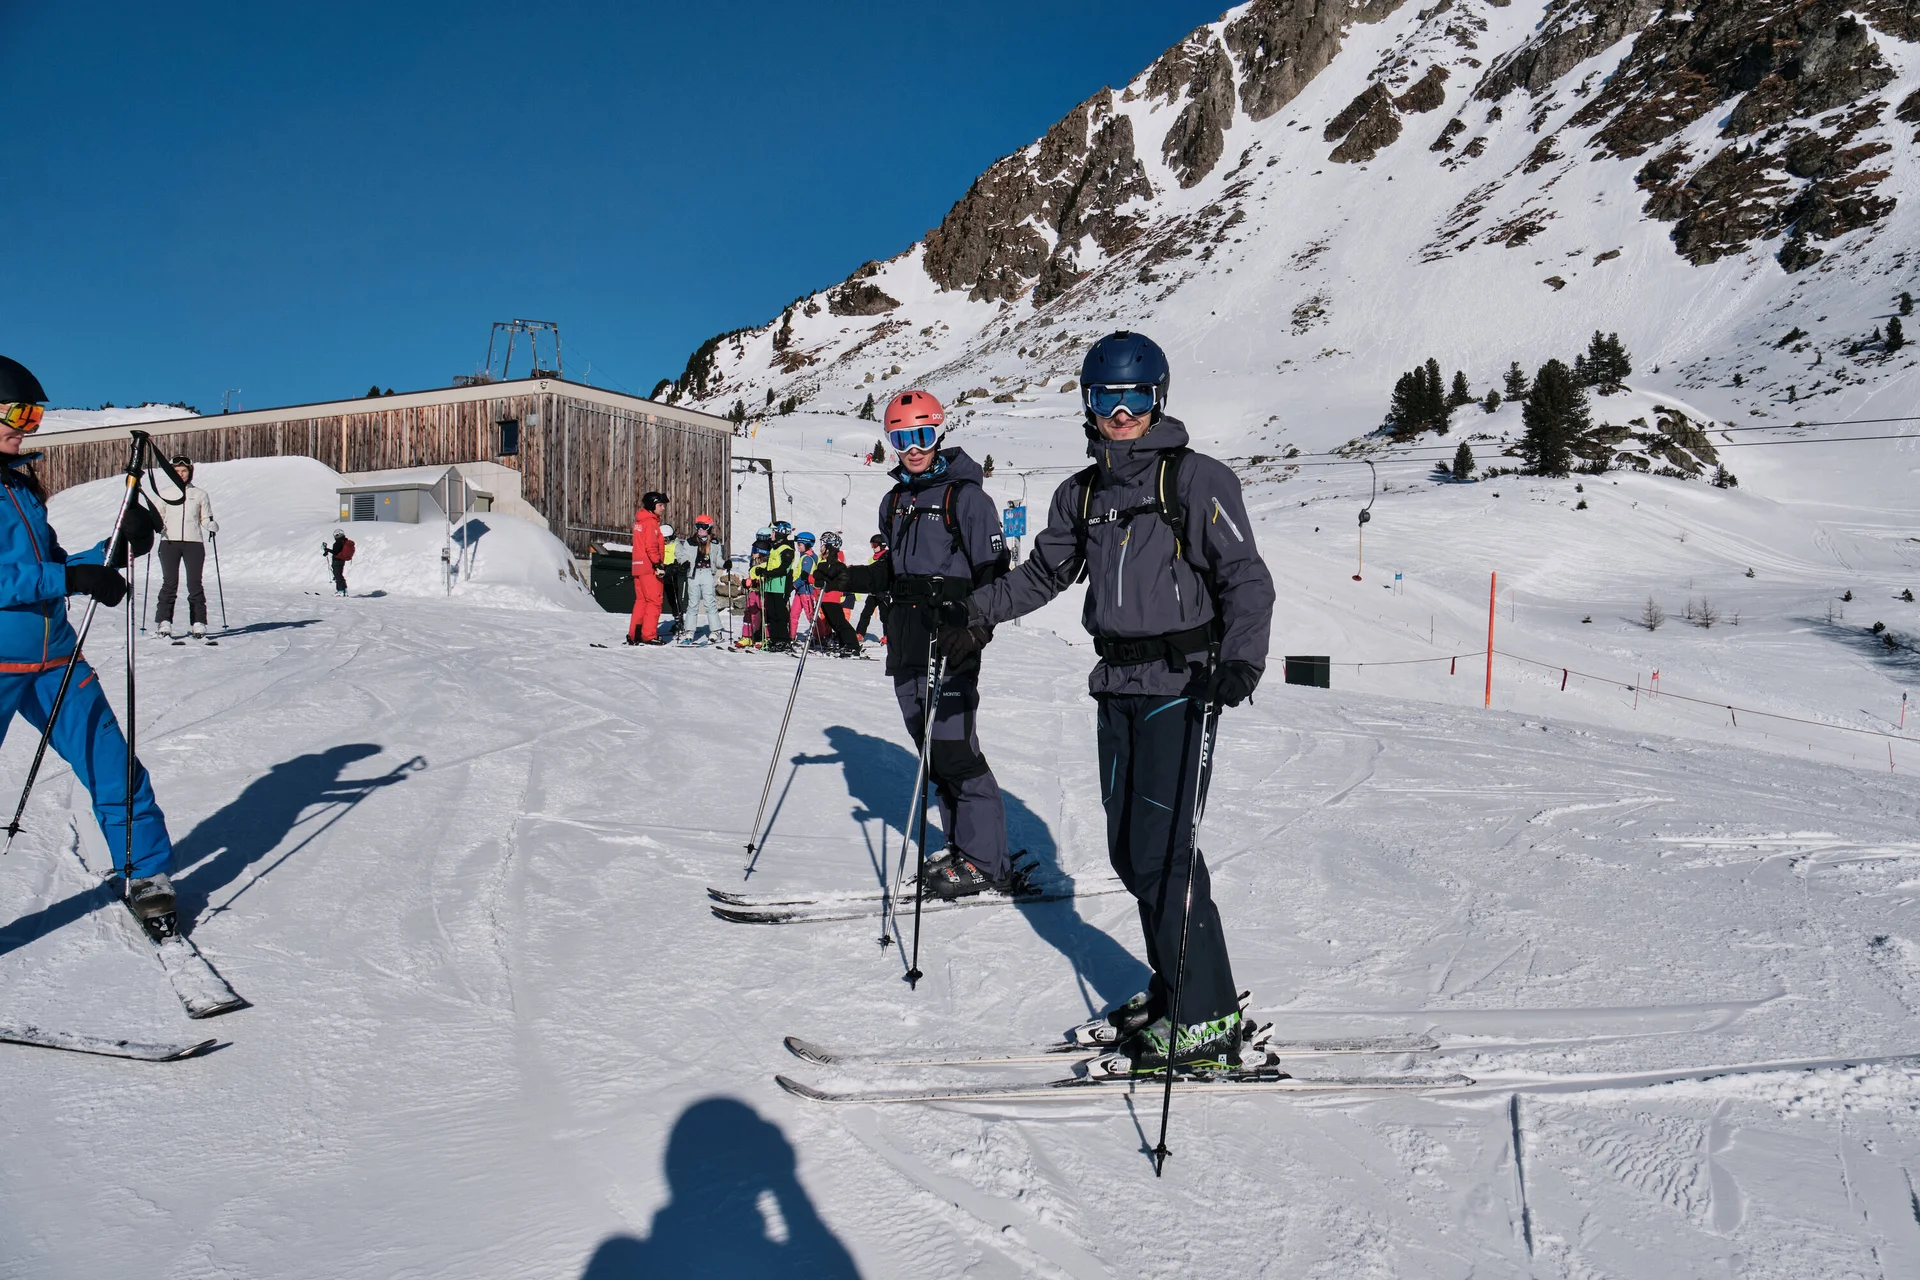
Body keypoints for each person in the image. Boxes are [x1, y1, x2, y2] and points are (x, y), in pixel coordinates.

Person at [956, 331, 1275, 1070]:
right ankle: (1179, 985)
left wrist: (1240, 661)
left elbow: (1244, 577)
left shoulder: (1196, 480)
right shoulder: (1082, 495)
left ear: (1158, 397)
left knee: (1166, 856)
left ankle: (1206, 1019)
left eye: (1135, 397)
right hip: (1116, 686)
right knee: (1131, 854)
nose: (1122, 412)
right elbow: (1042, 575)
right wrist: (975, 611)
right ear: (1088, 404)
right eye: (1107, 398)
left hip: (1182, 685)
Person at [0, 355, 179, 930]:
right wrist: (69, 579)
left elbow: (50, 566)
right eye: (18, 412)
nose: (28, 425)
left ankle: (146, 876)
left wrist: (113, 550)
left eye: (35, 414)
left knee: (112, 766)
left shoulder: (20, 488)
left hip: (56, 659)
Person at [814, 389, 1013, 898]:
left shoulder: (966, 498)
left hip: (950, 639)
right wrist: (846, 575)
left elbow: (995, 575)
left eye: (922, 435)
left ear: (939, 432)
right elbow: (891, 572)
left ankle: (987, 861)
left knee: (955, 750)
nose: (914, 447)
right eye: (902, 438)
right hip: (904, 641)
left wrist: (976, 631)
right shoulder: (895, 500)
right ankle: (964, 846)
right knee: (930, 751)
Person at [152, 454, 217, 638]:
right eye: (177, 471)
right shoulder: (165, 493)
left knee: (194, 584)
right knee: (170, 583)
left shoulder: (199, 494)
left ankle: (198, 622)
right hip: (169, 543)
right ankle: (164, 622)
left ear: (190, 472)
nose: (181, 474)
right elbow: (157, 516)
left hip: (193, 543)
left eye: (184, 471)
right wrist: (156, 525)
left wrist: (211, 525)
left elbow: (205, 517)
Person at [628, 490, 668, 646]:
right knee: (654, 601)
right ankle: (649, 635)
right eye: (660, 505)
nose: (663, 508)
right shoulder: (651, 523)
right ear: (652, 505)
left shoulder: (640, 522)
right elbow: (651, 547)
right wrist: (658, 564)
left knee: (641, 601)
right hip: (650, 568)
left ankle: (635, 634)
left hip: (638, 567)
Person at [814, 532, 862, 654]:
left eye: (823, 545)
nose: (821, 548)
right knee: (834, 622)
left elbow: (832, 573)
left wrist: (821, 574)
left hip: (832, 596)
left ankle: (852, 645)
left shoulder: (837, 559)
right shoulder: (824, 561)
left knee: (839, 622)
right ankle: (843, 643)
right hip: (825, 596)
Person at [680, 513, 723, 645]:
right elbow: (683, 556)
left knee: (710, 602)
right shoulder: (689, 542)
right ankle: (689, 632)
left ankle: (716, 631)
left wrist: (725, 563)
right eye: (698, 526)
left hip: (707, 573)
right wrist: (684, 562)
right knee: (692, 604)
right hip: (693, 574)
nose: (700, 529)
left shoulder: (715, 543)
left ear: (709, 527)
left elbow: (718, 560)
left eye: (703, 526)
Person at [761, 521, 796, 653]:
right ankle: (775, 639)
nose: (772, 534)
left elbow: (783, 569)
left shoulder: (787, 549)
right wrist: (761, 570)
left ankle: (784, 639)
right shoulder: (774, 548)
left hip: (781, 586)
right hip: (771, 586)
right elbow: (770, 566)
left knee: (780, 614)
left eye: (774, 532)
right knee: (772, 614)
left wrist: (768, 573)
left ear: (781, 533)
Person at [854, 533, 889, 645]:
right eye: (872, 545)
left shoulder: (888, 557)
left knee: (885, 616)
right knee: (865, 613)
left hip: (884, 592)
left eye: (875, 545)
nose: (873, 548)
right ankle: (859, 634)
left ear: (882, 545)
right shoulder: (872, 559)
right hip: (873, 591)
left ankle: (888, 635)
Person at [661, 522, 692, 640]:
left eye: (667, 539)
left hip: (670, 574)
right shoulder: (658, 544)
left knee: (672, 598)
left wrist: (683, 564)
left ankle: (679, 620)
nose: (665, 542)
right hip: (658, 573)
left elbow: (682, 556)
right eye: (663, 539)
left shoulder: (676, 545)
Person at [788, 531, 818, 643]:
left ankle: (820, 636)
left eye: (800, 544)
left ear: (807, 545)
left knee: (810, 615)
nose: (797, 546)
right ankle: (791, 636)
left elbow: (804, 576)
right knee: (793, 614)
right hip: (799, 591)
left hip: (806, 590)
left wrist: (794, 585)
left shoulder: (807, 558)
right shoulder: (803, 557)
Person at [324, 528, 353, 595]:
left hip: (337, 561)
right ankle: (344, 589)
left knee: (338, 576)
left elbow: (336, 552)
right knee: (339, 575)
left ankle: (341, 591)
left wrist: (327, 550)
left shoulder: (338, 542)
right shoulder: (343, 541)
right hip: (341, 560)